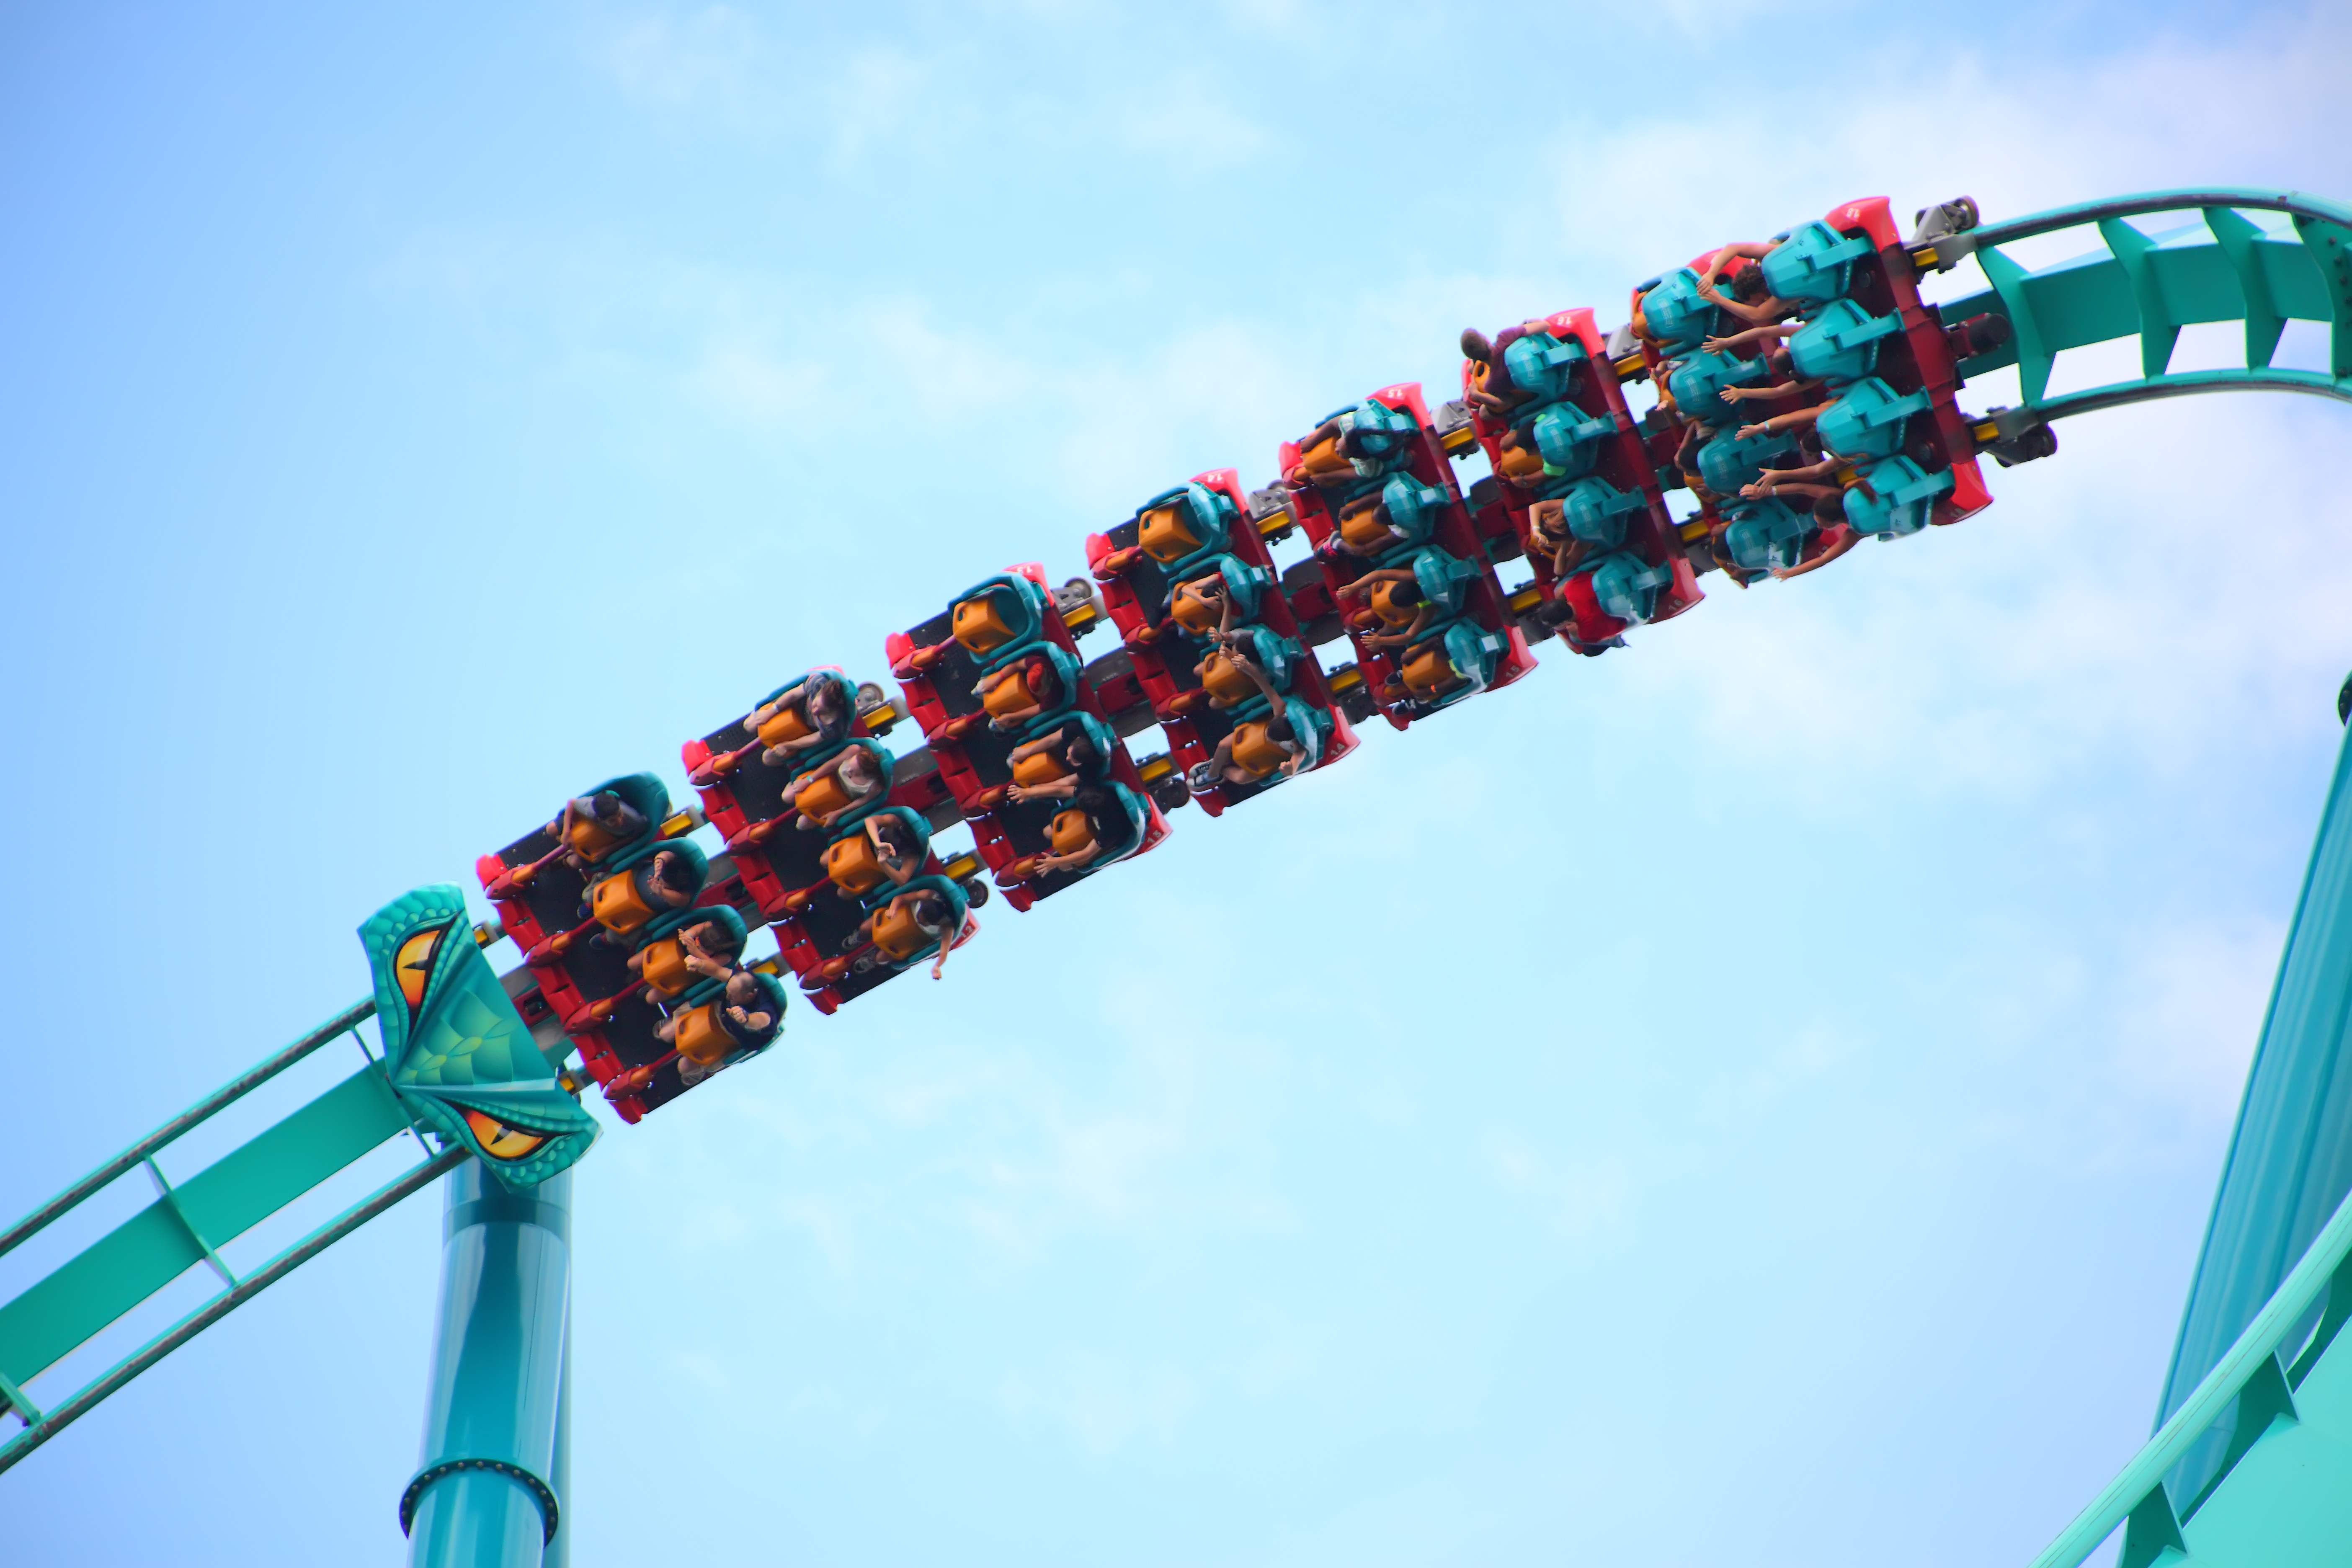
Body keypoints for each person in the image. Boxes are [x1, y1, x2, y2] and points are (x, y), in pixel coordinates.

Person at [852, 884, 961, 980]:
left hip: (910, 938)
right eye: (919, 917)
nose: (920, 921)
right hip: (899, 918)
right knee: (865, 928)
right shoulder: (927, 895)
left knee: (882, 958)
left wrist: (937, 966)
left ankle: (872, 960)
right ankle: (858, 938)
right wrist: (893, 909)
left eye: (924, 923)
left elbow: (944, 952)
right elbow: (901, 899)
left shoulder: (947, 926)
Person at [624, 916, 742, 1003]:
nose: (698, 948)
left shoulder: (726, 956)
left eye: (703, 950)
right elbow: (692, 932)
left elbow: (713, 967)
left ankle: (651, 985)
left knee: (651, 999)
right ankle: (640, 972)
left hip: (685, 973)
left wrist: (696, 953)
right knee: (631, 963)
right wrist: (687, 937)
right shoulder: (709, 925)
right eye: (697, 945)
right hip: (670, 951)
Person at [783, 741, 888, 831]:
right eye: (850, 766)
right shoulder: (854, 750)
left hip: (837, 802)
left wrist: (838, 813)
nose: (848, 771)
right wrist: (808, 780)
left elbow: (862, 802)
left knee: (802, 824)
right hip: (824, 782)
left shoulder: (876, 786)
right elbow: (832, 765)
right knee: (787, 797)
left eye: (853, 772)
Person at [1692, 242, 1796, 327]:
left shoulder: (1783, 293)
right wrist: (1711, 274)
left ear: (1759, 292)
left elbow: (1757, 315)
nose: (1763, 301)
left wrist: (1720, 300)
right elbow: (1734, 247)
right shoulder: (1772, 256)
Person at [1334, 568, 1437, 650]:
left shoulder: (1427, 609)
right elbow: (1379, 574)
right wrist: (1353, 587)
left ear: (1411, 605)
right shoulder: (1414, 577)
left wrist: (1381, 640)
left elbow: (1408, 637)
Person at [1002, 723, 1104, 805]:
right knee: (1011, 761)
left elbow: (1067, 782)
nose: (1068, 758)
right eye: (1069, 754)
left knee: (1033, 796)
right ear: (1075, 740)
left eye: (1074, 761)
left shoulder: (1092, 768)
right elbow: (1050, 740)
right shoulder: (1074, 729)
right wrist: (1027, 752)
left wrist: (1040, 788)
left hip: (1060, 773)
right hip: (1049, 752)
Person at [547, 791, 647, 867]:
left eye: (620, 815)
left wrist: (608, 850)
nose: (620, 821)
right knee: (551, 829)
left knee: (574, 862)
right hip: (586, 824)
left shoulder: (634, 819)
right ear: (601, 820)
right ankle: (564, 844)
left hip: (611, 838)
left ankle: (564, 860)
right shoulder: (589, 809)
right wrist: (566, 832)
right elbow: (572, 803)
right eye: (613, 821)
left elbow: (637, 834)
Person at [972, 653, 1065, 731]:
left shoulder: (1055, 695)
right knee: (983, 687)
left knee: (1006, 723)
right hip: (1014, 682)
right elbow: (1016, 666)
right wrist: (996, 679)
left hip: (1029, 703)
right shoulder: (1037, 662)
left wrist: (1011, 717)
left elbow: (1037, 710)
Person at [1525, 498, 1589, 579]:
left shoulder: (1584, 540)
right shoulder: (1568, 505)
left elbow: (1559, 572)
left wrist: (1536, 532)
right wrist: (1536, 531)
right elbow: (1559, 571)